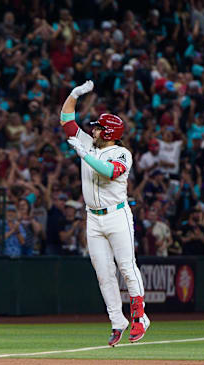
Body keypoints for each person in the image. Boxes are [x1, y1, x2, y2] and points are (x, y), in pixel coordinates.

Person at [62, 80, 149, 346]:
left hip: (117, 214)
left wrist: (84, 155)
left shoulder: (122, 153)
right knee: (103, 271)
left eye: (99, 127)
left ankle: (139, 317)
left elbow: (110, 171)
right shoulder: (88, 144)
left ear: (109, 132)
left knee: (126, 266)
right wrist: (74, 94)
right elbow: (66, 120)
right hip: (93, 216)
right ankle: (117, 320)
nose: (94, 130)